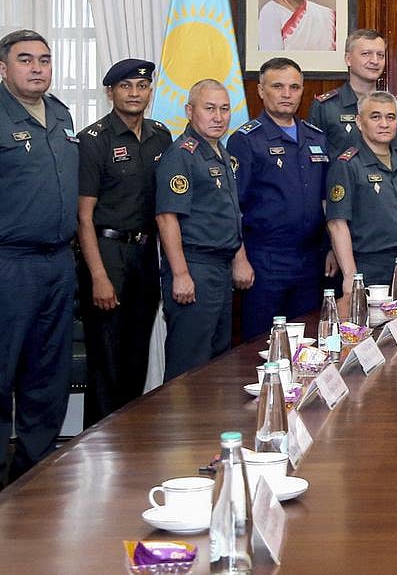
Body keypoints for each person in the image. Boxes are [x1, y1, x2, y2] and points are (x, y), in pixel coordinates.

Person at [0, 29, 77, 485]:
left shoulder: (61, 114)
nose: (36, 68)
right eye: (25, 59)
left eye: (44, 60)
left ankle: (36, 471)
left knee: (48, 372)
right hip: (10, 263)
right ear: (4, 69)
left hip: (57, 263)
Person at [77, 58, 172, 426]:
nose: (135, 93)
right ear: (111, 92)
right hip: (107, 254)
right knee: (107, 361)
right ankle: (98, 445)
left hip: (146, 256)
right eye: (126, 87)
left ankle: (128, 437)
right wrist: (99, 276)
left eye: (142, 87)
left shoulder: (160, 135)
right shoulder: (93, 140)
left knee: (136, 356)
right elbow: (84, 216)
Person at [226, 57, 333, 339]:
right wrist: (239, 259)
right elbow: (232, 206)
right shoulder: (246, 140)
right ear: (261, 90)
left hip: (311, 260)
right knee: (260, 344)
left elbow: (326, 200)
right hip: (265, 259)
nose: (287, 94)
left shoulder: (316, 138)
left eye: (294, 87)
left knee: (307, 342)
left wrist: (330, 247)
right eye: (278, 86)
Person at [156, 79, 249, 381]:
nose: (218, 117)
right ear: (189, 111)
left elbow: (230, 213)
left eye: (224, 109)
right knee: (189, 363)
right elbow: (167, 218)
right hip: (195, 266)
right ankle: (178, 428)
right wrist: (181, 274)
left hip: (219, 269)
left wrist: (238, 257)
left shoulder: (220, 153)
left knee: (216, 359)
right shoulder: (181, 155)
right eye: (209, 109)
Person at [326, 91, 397, 294]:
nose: (384, 123)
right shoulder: (347, 165)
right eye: (375, 117)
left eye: (390, 117)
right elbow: (337, 224)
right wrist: (350, 276)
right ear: (359, 121)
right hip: (369, 266)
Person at [309, 29, 397, 165]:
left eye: (380, 55)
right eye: (366, 54)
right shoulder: (325, 107)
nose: (375, 61)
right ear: (348, 59)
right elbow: (314, 162)